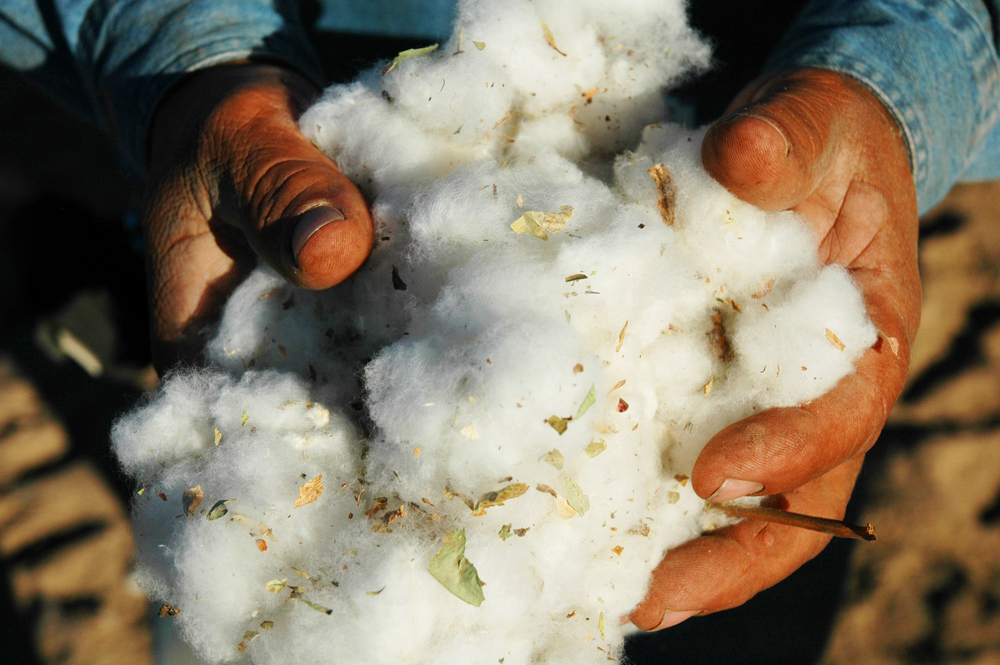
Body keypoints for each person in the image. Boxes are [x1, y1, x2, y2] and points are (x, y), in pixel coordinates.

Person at [1, 0, 998, 639]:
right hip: (192, 128)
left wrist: (904, 72)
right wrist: (181, 51)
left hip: (750, 88)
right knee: (137, 264)